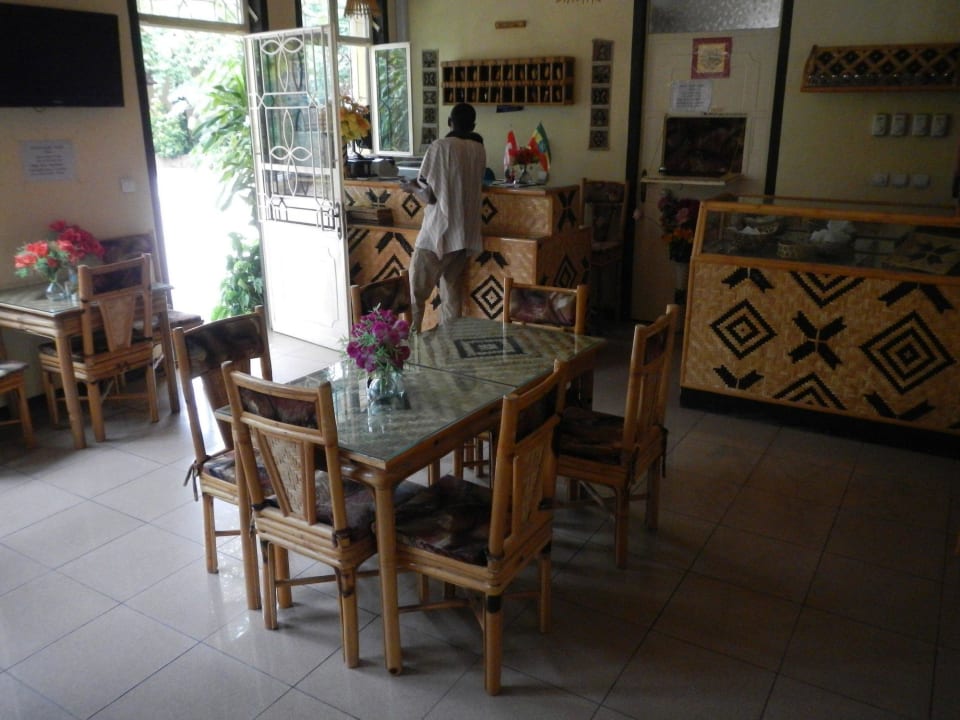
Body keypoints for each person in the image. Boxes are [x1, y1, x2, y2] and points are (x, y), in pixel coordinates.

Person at [402, 103, 486, 332]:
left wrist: (410, 187)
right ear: (473, 125)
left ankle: (411, 345)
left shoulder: (440, 147)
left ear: (450, 122)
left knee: (415, 295)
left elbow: (428, 196)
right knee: (451, 296)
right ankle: (450, 347)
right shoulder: (478, 148)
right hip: (463, 235)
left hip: (437, 233)